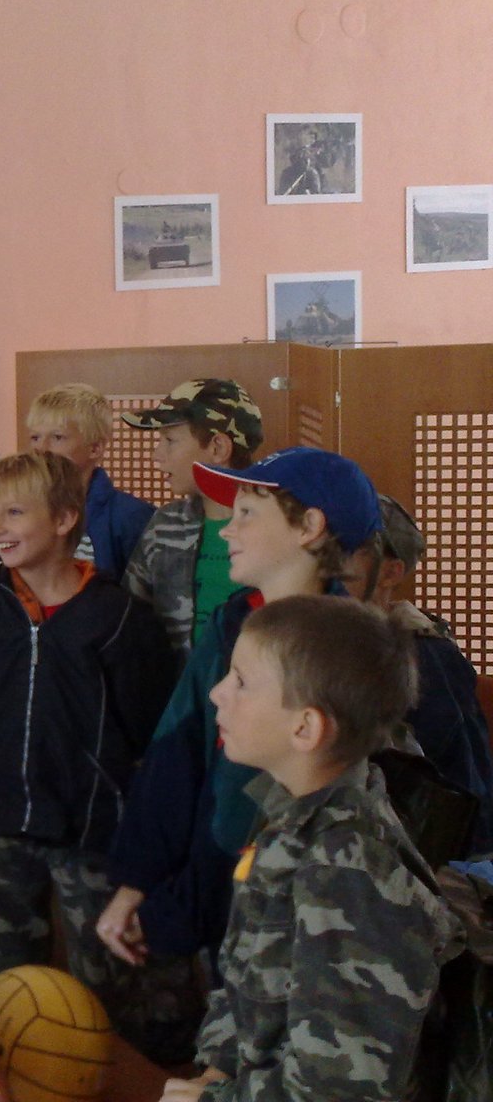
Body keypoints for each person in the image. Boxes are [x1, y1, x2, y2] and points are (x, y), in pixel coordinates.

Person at [0, 452, 188, 1062]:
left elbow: (146, 722)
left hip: (87, 828)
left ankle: (118, 1074)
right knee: (9, 981)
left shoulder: (118, 617)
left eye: (14, 512)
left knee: (104, 981)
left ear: (66, 518)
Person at [160, 596, 462, 1101]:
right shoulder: (293, 815)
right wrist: (217, 1070)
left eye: (241, 681)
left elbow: (341, 1088)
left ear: (305, 727)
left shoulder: (349, 869)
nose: (216, 693)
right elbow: (248, 979)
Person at [100, 447, 381, 982]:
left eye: (247, 513)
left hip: (302, 922)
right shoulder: (232, 623)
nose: (227, 529)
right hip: (212, 902)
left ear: (310, 527)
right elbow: (176, 753)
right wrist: (137, 883)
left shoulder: (350, 654)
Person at [348, 494, 493, 853]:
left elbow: (453, 787)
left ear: (391, 572)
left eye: (347, 548)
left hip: (423, 858)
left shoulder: (425, 656)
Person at [120, 379, 264, 655]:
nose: (157, 455)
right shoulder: (165, 525)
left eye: (170, 441)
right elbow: (132, 618)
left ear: (218, 448)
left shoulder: (278, 528)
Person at [26, 382, 154, 579]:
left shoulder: (132, 517)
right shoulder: (20, 510)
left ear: (95, 448)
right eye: (35, 437)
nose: (41, 449)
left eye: (57, 437)